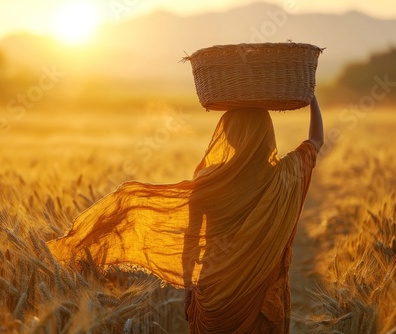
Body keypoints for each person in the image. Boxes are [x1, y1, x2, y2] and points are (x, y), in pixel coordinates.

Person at [47, 96, 323, 333]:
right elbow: (316, 140)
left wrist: (191, 289)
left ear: (226, 136)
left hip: (214, 295)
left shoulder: (208, 181)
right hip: (258, 292)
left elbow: (191, 240)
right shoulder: (284, 176)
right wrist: (310, 94)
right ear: (267, 135)